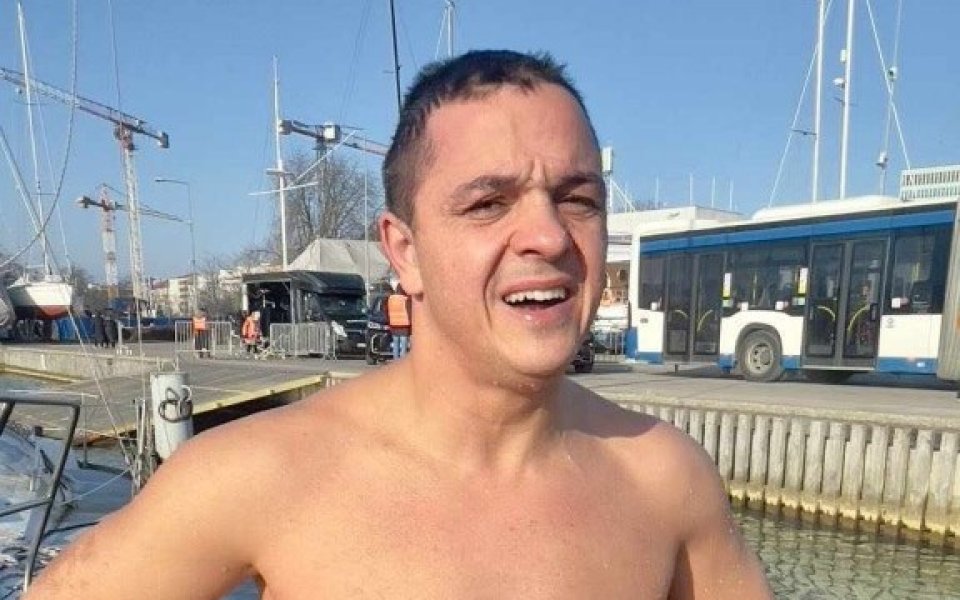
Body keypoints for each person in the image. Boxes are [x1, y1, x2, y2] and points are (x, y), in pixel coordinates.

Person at [27, 50, 772, 599]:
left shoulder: (664, 478)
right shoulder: (260, 475)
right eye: (488, 204)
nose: (549, 235)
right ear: (405, 251)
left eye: (577, 199)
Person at [386, 283, 411, 358]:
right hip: (404, 326)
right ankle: (402, 361)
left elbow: (387, 311)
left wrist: (389, 322)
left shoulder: (390, 299)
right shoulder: (405, 299)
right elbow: (409, 312)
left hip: (394, 325)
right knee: (403, 346)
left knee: (395, 344)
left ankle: (396, 360)